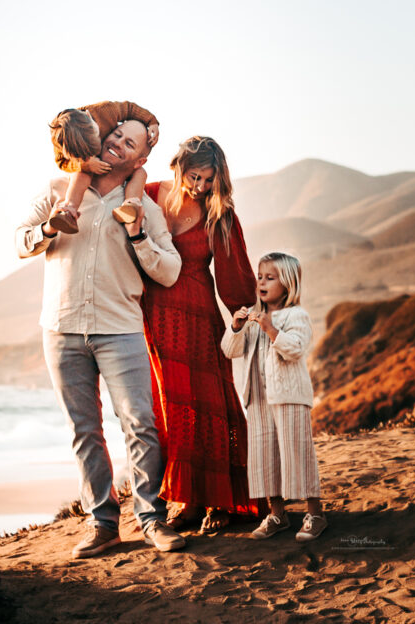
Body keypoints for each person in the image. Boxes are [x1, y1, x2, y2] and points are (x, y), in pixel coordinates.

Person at [16, 118, 186, 558]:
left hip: (120, 328)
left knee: (140, 424)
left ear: (141, 158)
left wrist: (137, 234)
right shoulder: (58, 188)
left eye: (129, 142)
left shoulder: (144, 207)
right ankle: (102, 524)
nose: (117, 143)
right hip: (61, 327)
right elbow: (20, 241)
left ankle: (151, 520)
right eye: (115, 134)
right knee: (84, 430)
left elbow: (169, 271)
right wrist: (49, 228)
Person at [143, 136, 257, 534]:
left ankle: (215, 501)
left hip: (198, 319)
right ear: (178, 167)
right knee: (169, 410)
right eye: (196, 177)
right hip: (152, 317)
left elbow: (235, 277)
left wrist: (247, 319)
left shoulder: (217, 213)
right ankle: (182, 500)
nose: (202, 187)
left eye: (210, 180)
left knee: (208, 407)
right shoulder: (146, 194)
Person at [221, 251, 326, 542]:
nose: (262, 282)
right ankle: (277, 513)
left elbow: (295, 349)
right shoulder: (253, 315)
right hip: (257, 398)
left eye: (270, 277)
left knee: (297, 452)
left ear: (288, 284)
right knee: (264, 455)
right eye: (260, 276)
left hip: (289, 396)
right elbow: (230, 350)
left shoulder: (296, 315)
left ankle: (315, 513)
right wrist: (236, 327)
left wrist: (271, 329)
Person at [47, 100, 159, 234]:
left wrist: (152, 122)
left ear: (89, 116)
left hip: (118, 161)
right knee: (81, 173)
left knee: (140, 173)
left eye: (95, 135)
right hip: (92, 163)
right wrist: (85, 164)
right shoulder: (63, 142)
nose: (97, 139)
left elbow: (129, 108)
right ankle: (69, 210)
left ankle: (131, 205)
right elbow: (62, 162)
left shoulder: (105, 111)